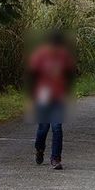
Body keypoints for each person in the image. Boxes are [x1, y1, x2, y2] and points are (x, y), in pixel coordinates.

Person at [27, 30, 76, 170]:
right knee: (43, 127)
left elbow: (70, 74)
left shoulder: (64, 56)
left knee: (57, 127)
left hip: (59, 95)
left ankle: (56, 158)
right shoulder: (40, 55)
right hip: (43, 94)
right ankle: (39, 149)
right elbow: (32, 75)